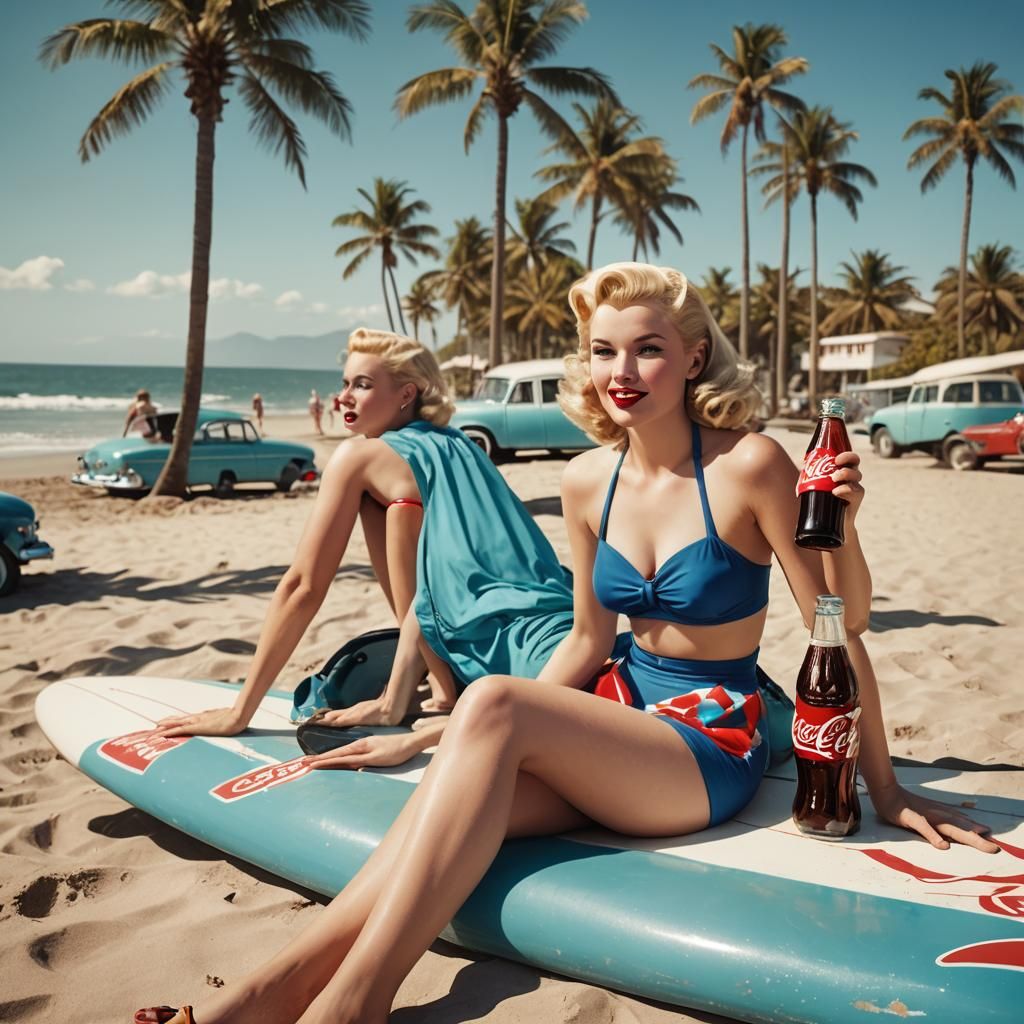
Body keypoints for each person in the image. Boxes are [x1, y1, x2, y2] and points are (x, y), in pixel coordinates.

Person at [137, 264, 995, 1024]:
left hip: (709, 742)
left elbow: (843, 627)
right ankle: (258, 1000)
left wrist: (885, 784)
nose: (622, 372)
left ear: (693, 357)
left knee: (493, 702)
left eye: (648, 348)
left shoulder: (752, 465)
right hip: (616, 722)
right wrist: (435, 734)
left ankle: (353, 1008)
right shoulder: (586, 480)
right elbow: (588, 641)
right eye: (602, 350)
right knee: (429, 833)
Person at [153, 327, 576, 744]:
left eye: (363, 384)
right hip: (561, 639)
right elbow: (440, 575)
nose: (343, 398)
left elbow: (303, 585)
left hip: (506, 662)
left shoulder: (358, 456)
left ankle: (430, 690)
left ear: (407, 394)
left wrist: (239, 712)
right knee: (397, 512)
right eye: (344, 384)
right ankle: (441, 690)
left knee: (395, 512)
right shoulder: (457, 444)